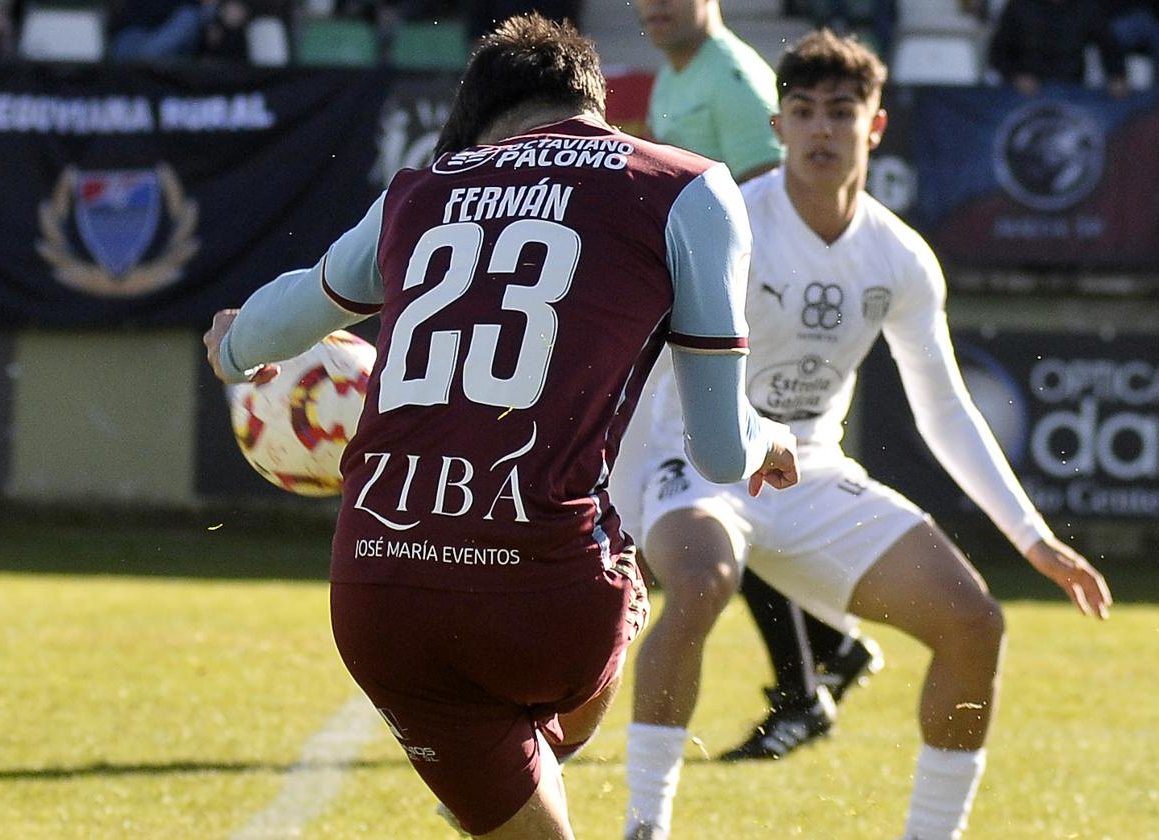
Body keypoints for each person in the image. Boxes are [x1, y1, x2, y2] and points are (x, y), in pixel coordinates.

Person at [203, 13, 798, 839]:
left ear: (480, 116)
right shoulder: (687, 187)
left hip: (380, 587)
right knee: (606, 587)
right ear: (588, 103)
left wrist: (229, 346)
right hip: (548, 598)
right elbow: (721, 451)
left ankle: (502, 766)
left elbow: (269, 330)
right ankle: (536, 742)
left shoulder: (425, 187)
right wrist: (772, 438)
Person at [625, 28, 1112, 840]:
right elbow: (651, 363)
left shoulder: (902, 256)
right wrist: (608, 485)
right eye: (805, 111)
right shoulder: (730, 223)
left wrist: (1030, 536)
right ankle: (646, 826)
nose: (823, 129)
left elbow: (945, 407)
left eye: (843, 112)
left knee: (975, 624)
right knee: (705, 579)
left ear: (875, 127)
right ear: (778, 127)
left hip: (811, 471)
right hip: (699, 458)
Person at [620, 9, 880, 829]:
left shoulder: (732, 78)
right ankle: (823, 664)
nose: (655, 7)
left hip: (737, 337)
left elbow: (782, 204)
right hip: (699, 331)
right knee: (719, 525)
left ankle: (808, 682)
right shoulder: (675, 71)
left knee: (728, 509)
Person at [987, 0, 1128, 98]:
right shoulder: (1020, 6)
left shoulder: (1086, 7)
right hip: (1025, 93)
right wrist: (1016, 77)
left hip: (1071, 89)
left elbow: (1109, 45)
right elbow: (997, 52)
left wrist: (1116, 75)